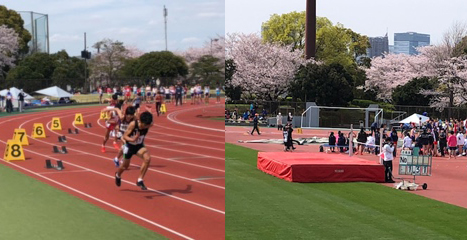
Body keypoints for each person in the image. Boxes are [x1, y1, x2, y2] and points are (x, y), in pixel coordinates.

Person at [115, 111, 154, 190]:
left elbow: (151, 121)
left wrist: (149, 113)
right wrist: (132, 139)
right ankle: (118, 175)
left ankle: (140, 180)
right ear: (141, 122)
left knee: (147, 158)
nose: (146, 127)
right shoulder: (133, 124)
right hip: (129, 146)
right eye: (144, 125)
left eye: (147, 125)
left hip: (139, 146)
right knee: (125, 166)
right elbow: (125, 136)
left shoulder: (149, 124)